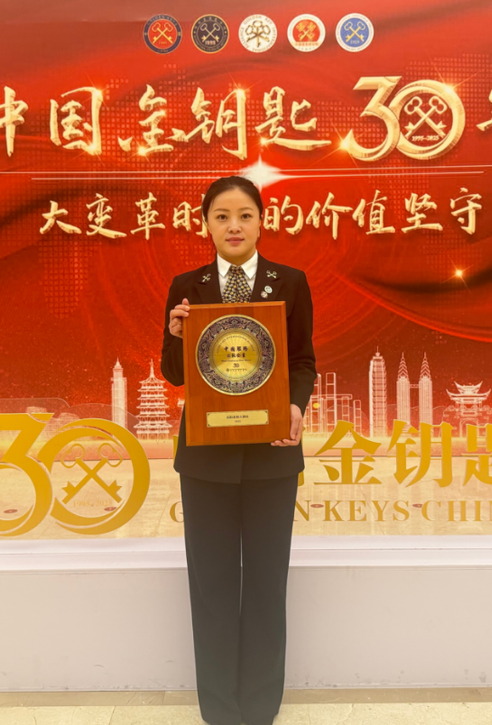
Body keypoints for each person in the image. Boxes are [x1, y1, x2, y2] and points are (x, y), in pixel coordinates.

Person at [160, 175, 317, 725]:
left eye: (245, 215)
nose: (234, 226)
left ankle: (261, 707)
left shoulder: (289, 282)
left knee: (268, 583)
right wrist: (176, 335)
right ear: (205, 224)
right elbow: (175, 375)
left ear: (261, 222)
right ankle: (221, 710)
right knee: (212, 586)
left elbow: (302, 360)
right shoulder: (187, 286)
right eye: (222, 216)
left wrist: (295, 406)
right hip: (206, 458)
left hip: (273, 452)